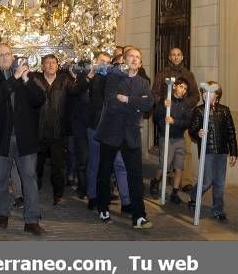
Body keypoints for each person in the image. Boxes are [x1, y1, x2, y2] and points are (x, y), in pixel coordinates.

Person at [0, 43, 46, 235]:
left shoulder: (26, 75)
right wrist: (16, 79)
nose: (4, 58)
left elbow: (39, 99)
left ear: (12, 55)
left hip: (25, 138)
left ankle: (32, 219)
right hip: (2, 138)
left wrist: (26, 79)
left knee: (29, 178)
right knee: (1, 179)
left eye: (7, 54)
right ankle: (3, 214)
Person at [95, 47, 154, 228]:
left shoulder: (144, 83)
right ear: (124, 60)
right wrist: (136, 104)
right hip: (111, 132)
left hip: (131, 135)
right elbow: (111, 103)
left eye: (138, 57)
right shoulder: (113, 78)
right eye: (131, 56)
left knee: (135, 175)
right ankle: (103, 207)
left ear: (141, 62)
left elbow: (148, 104)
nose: (134, 59)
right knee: (104, 172)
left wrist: (127, 99)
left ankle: (139, 216)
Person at [30, 54, 87, 205]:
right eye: (47, 63)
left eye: (53, 63)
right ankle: (35, 187)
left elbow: (76, 90)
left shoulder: (64, 79)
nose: (50, 65)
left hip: (58, 132)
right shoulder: (34, 79)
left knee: (58, 166)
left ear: (57, 66)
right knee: (37, 164)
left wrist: (85, 78)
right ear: (42, 66)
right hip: (38, 131)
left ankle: (58, 194)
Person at [86, 52, 131, 212]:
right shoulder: (96, 79)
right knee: (95, 163)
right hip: (96, 127)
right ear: (96, 63)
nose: (105, 65)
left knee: (119, 164)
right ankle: (93, 196)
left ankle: (126, 202)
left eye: (107, 62)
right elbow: (98, 102)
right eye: (101, 62)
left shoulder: (118, 78)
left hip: (113, 129)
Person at [188, 81, 238, 222]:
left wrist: (233, 152)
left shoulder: (224, 110)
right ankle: (193, 196)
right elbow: (192, 129)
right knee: (207, 180)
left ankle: (218, 210)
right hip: (207, 151)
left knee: (220, 182)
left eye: (209, 92)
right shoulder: (199, 110)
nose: (205, 94)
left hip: (221, 151)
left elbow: (231, 132)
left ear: (217, 95)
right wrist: (198, 132)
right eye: (203, 92)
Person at [149, 77, 193, 202]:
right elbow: (156, 117)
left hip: (179, 138)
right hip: (166, 137)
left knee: (179, 166)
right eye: (181, 87)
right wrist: (163, 107)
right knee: (165, 164)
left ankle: (174, 192)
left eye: (185, 89)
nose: (183, 90)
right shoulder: (166, 100)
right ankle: (155, 182)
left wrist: (175, 121)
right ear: (174, 86)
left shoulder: (185, 105)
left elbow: (187, 122)